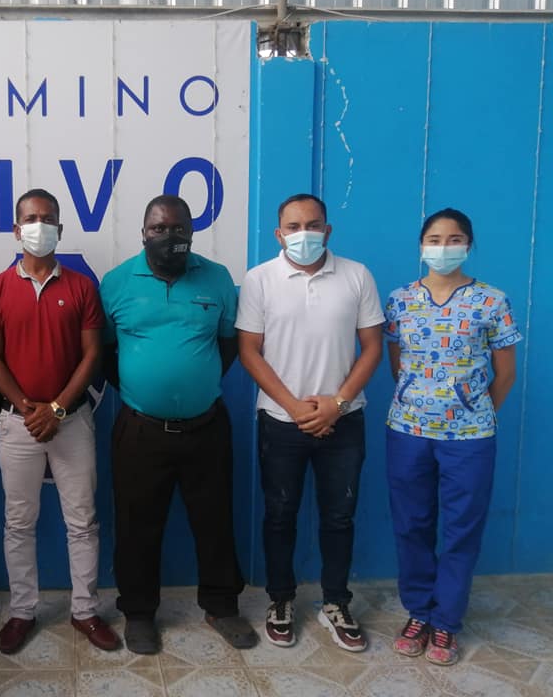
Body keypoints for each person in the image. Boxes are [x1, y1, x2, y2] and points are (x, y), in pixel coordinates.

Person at [100, 194, 257, 655]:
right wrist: (144, 389)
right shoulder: (116, 282)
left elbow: (228, 345)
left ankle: (221, 606)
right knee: (136, 526)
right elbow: (103, 352)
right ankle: (139, 613)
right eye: (159, 228)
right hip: (139, 429)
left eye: (179, 228)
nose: (170, 236)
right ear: (143, 233)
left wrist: (193, 385)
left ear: (192, 231)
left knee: (215, 520)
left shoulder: (217, 277)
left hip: (206, 426)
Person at [236, 193, 384, 653]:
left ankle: (336, 603)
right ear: (279, 234)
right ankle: (280, 600)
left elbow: (373, 347)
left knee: (339, 517)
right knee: (280, 515)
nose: (304, 234)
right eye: (294, 226)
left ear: (328, 230)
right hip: (281, 420)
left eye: (313, 225)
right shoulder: (259, 279)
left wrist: (337, 403)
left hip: (344, 420)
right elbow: (249, 351)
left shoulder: (357, 275)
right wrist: (294, 407)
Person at [0, 188, 119, 655]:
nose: (40, 226)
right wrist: (27, 408)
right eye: (31, 218)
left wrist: (56, 408)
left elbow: (92, 355)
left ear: (60, 227)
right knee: (19, 522)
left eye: (48, 218)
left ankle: (85, 610)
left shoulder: (81, 287)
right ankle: (22, 611)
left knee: (82, 520)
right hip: (16, 423)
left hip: (71, 422)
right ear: (17, 229)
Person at [384, 208, 520, 666]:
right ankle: (418, 611)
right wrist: (419, 401)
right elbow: (397, 363)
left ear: (469, 245)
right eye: (435, 239)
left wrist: (473, 412)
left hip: (470, 437)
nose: (444, 247)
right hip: (408, 431)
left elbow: (505, 373)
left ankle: (446, 621)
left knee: (462, 528)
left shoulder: (491, 301)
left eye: (455, 239)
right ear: (421, 246)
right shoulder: (401, 300)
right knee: (411, 523)